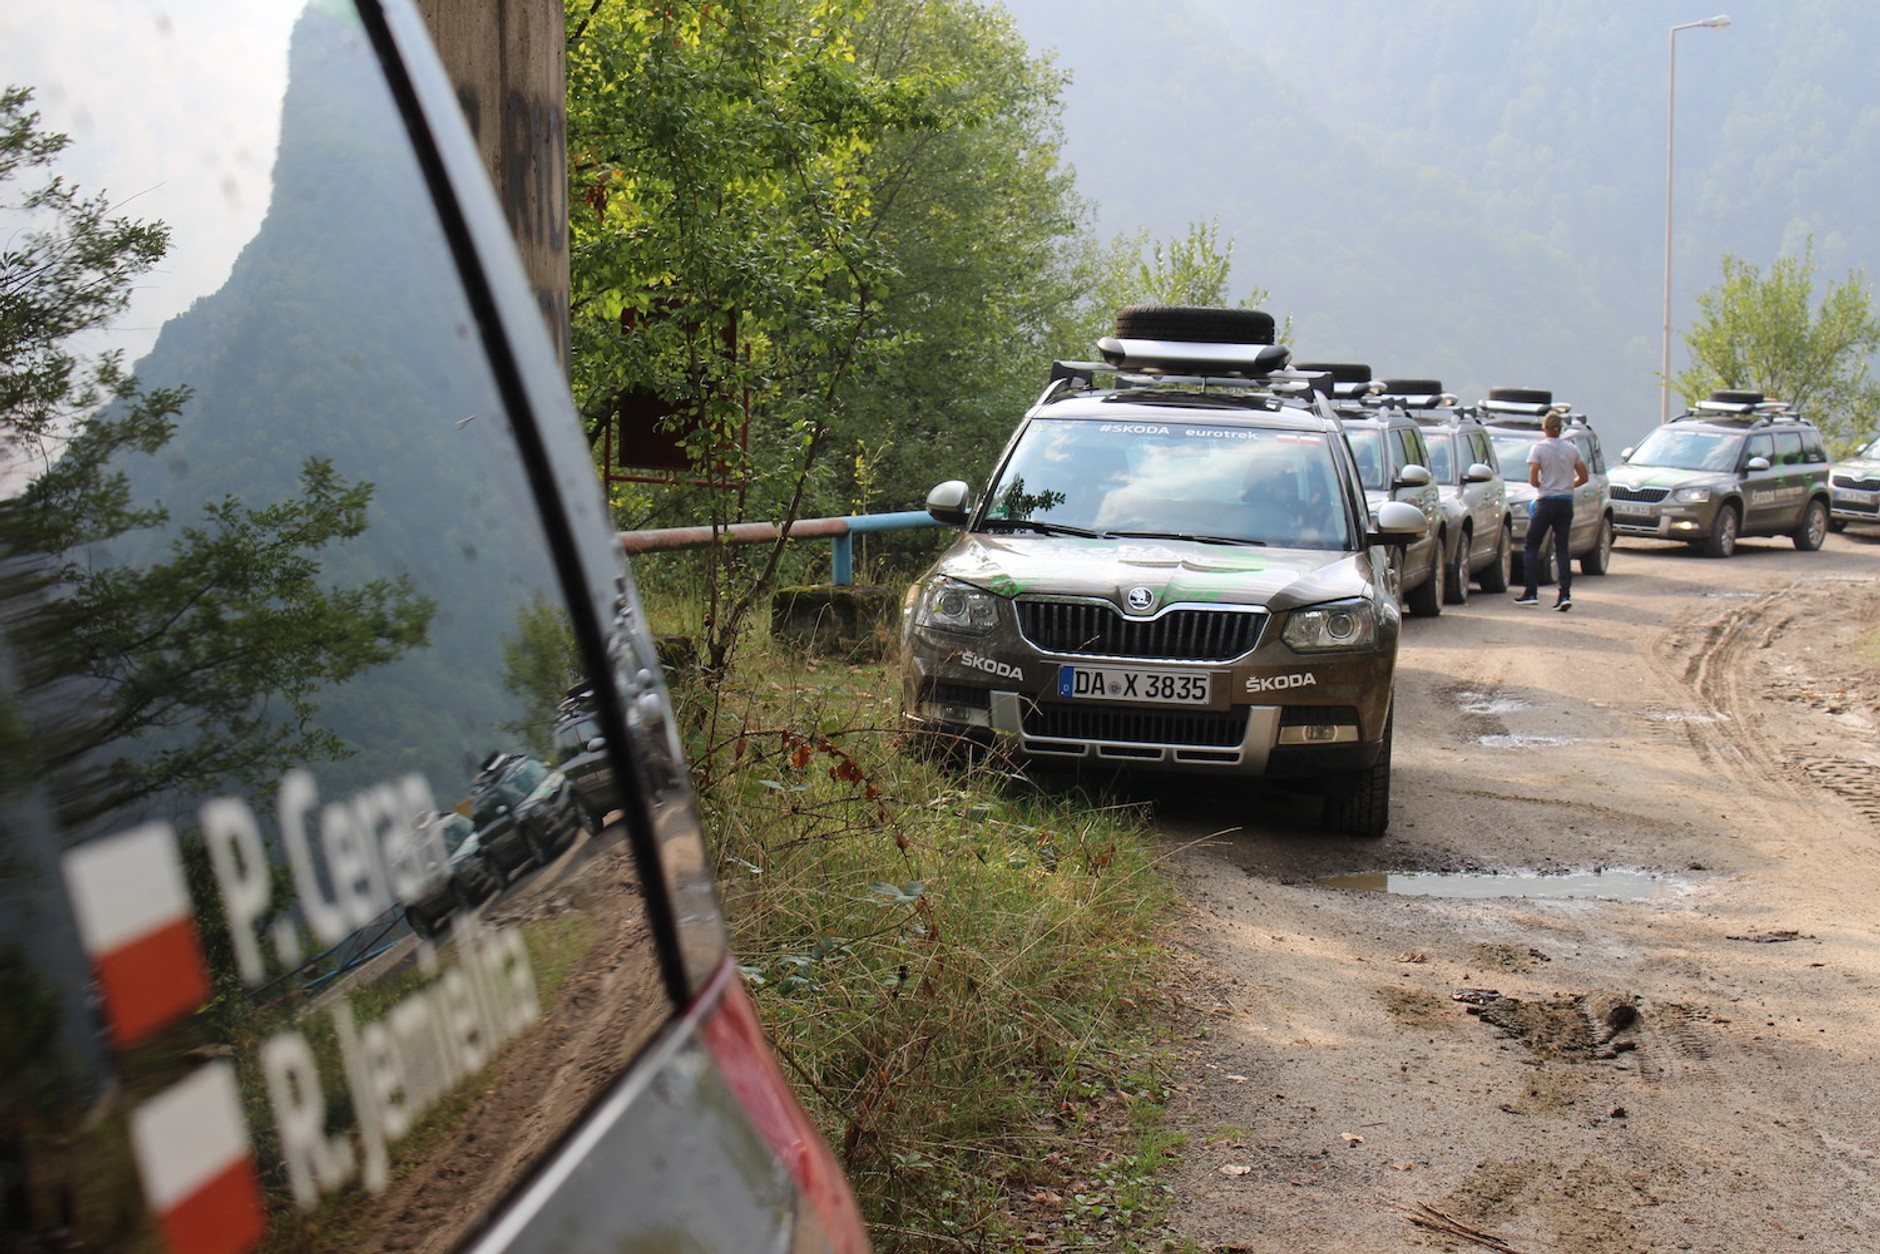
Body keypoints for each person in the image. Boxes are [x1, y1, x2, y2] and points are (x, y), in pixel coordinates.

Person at [1514, 411, 1589, 611]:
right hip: (1565, 501)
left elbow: (1533, 477)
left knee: (1532, 545)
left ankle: (1531, 591)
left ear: (1544, 428)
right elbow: (1583, 476)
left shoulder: (1538, 448)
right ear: (1561, 429)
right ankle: (1564, 594)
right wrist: (1568, 485)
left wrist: (1542, 484)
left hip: (1546, 500)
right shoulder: (1571, 449)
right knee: (1562, 547)